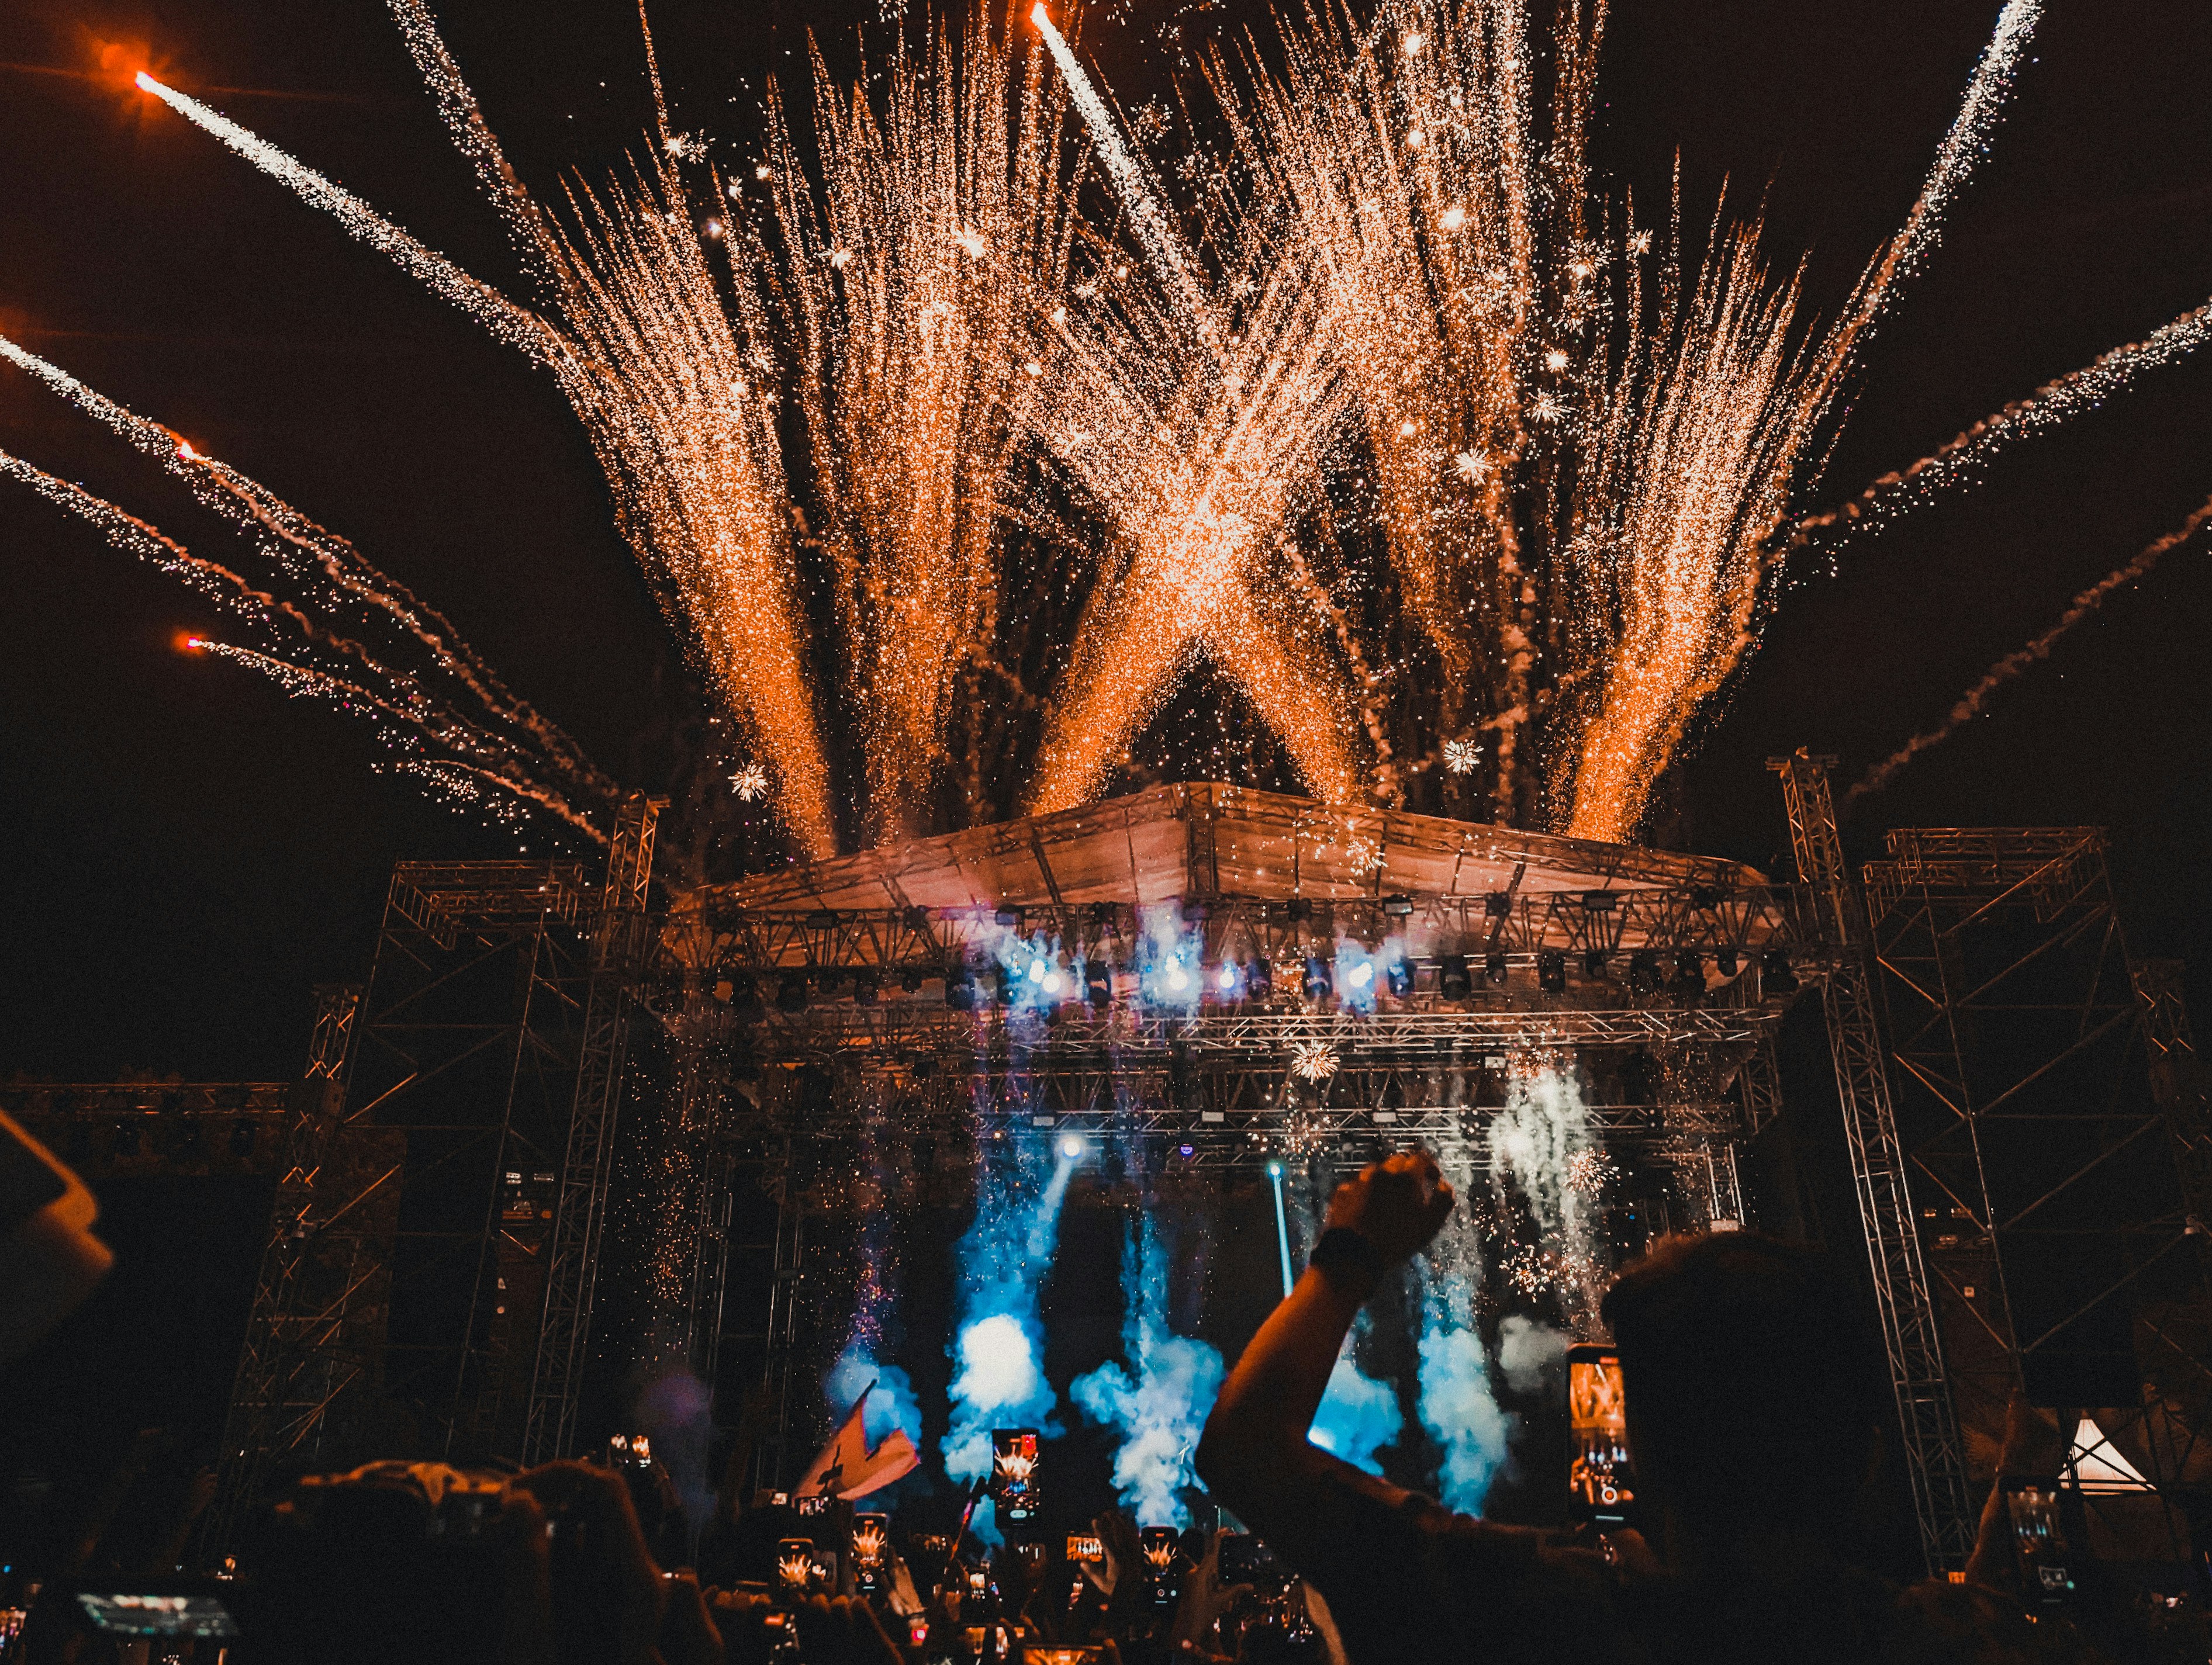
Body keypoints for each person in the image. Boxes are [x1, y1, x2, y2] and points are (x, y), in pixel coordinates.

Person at [1195, 1149, 2110, 1664]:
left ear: (1651, 1453)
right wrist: (2021, 1472)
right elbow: (1979, 1618)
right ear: (1866, 1449)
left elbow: (1243, 1450)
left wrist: (1350, 1257)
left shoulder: (1552, 1613)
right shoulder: (1938, 1642)